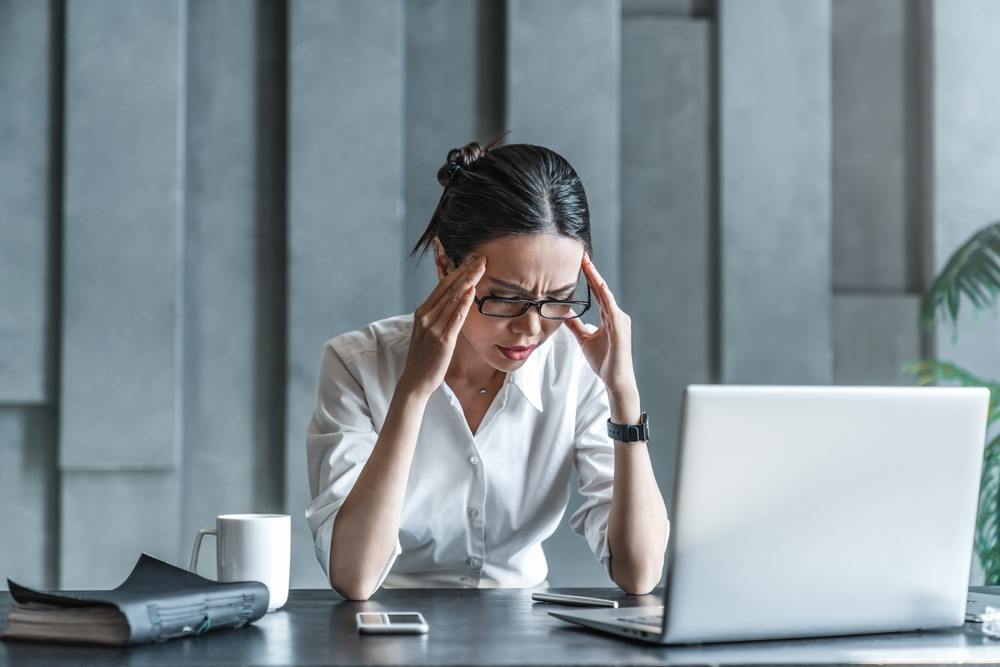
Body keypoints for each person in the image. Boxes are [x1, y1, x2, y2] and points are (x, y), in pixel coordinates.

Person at [305, 141, 668, 601]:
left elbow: (640, 573)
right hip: (390, 628)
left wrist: (624, 395)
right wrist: (413, 393)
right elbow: (354, 577)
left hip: (529, 635)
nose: (531, 328)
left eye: (558, 298)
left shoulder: (580, 368)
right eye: (507, 297)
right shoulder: (356, 364)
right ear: (445, 264)